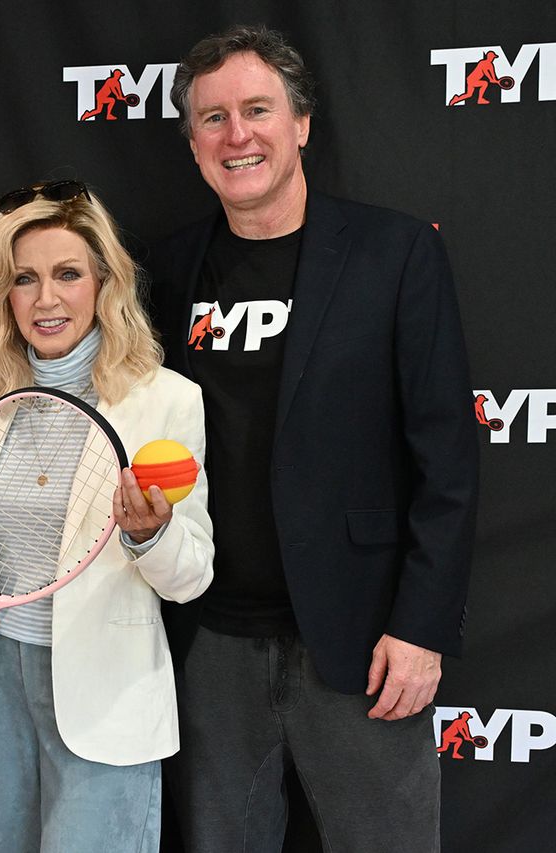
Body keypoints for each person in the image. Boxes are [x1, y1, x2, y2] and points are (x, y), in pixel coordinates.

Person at [147, 25, 477, 851]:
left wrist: (423, 625)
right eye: (213, 119)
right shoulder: (163, 271)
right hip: (210, 641)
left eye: (257, 110)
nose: (237, 134)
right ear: (192, 147)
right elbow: (87, 373)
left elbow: (448, 456)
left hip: (364, 637)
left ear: (300, 123)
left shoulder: (394, 252)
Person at [0, 181, 214, 852]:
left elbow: (192, 575)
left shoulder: (167, 402)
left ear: (104, 282)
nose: (46, 298)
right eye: (25, 278)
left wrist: (151, 534)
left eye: (67, 274)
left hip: (104, 699)